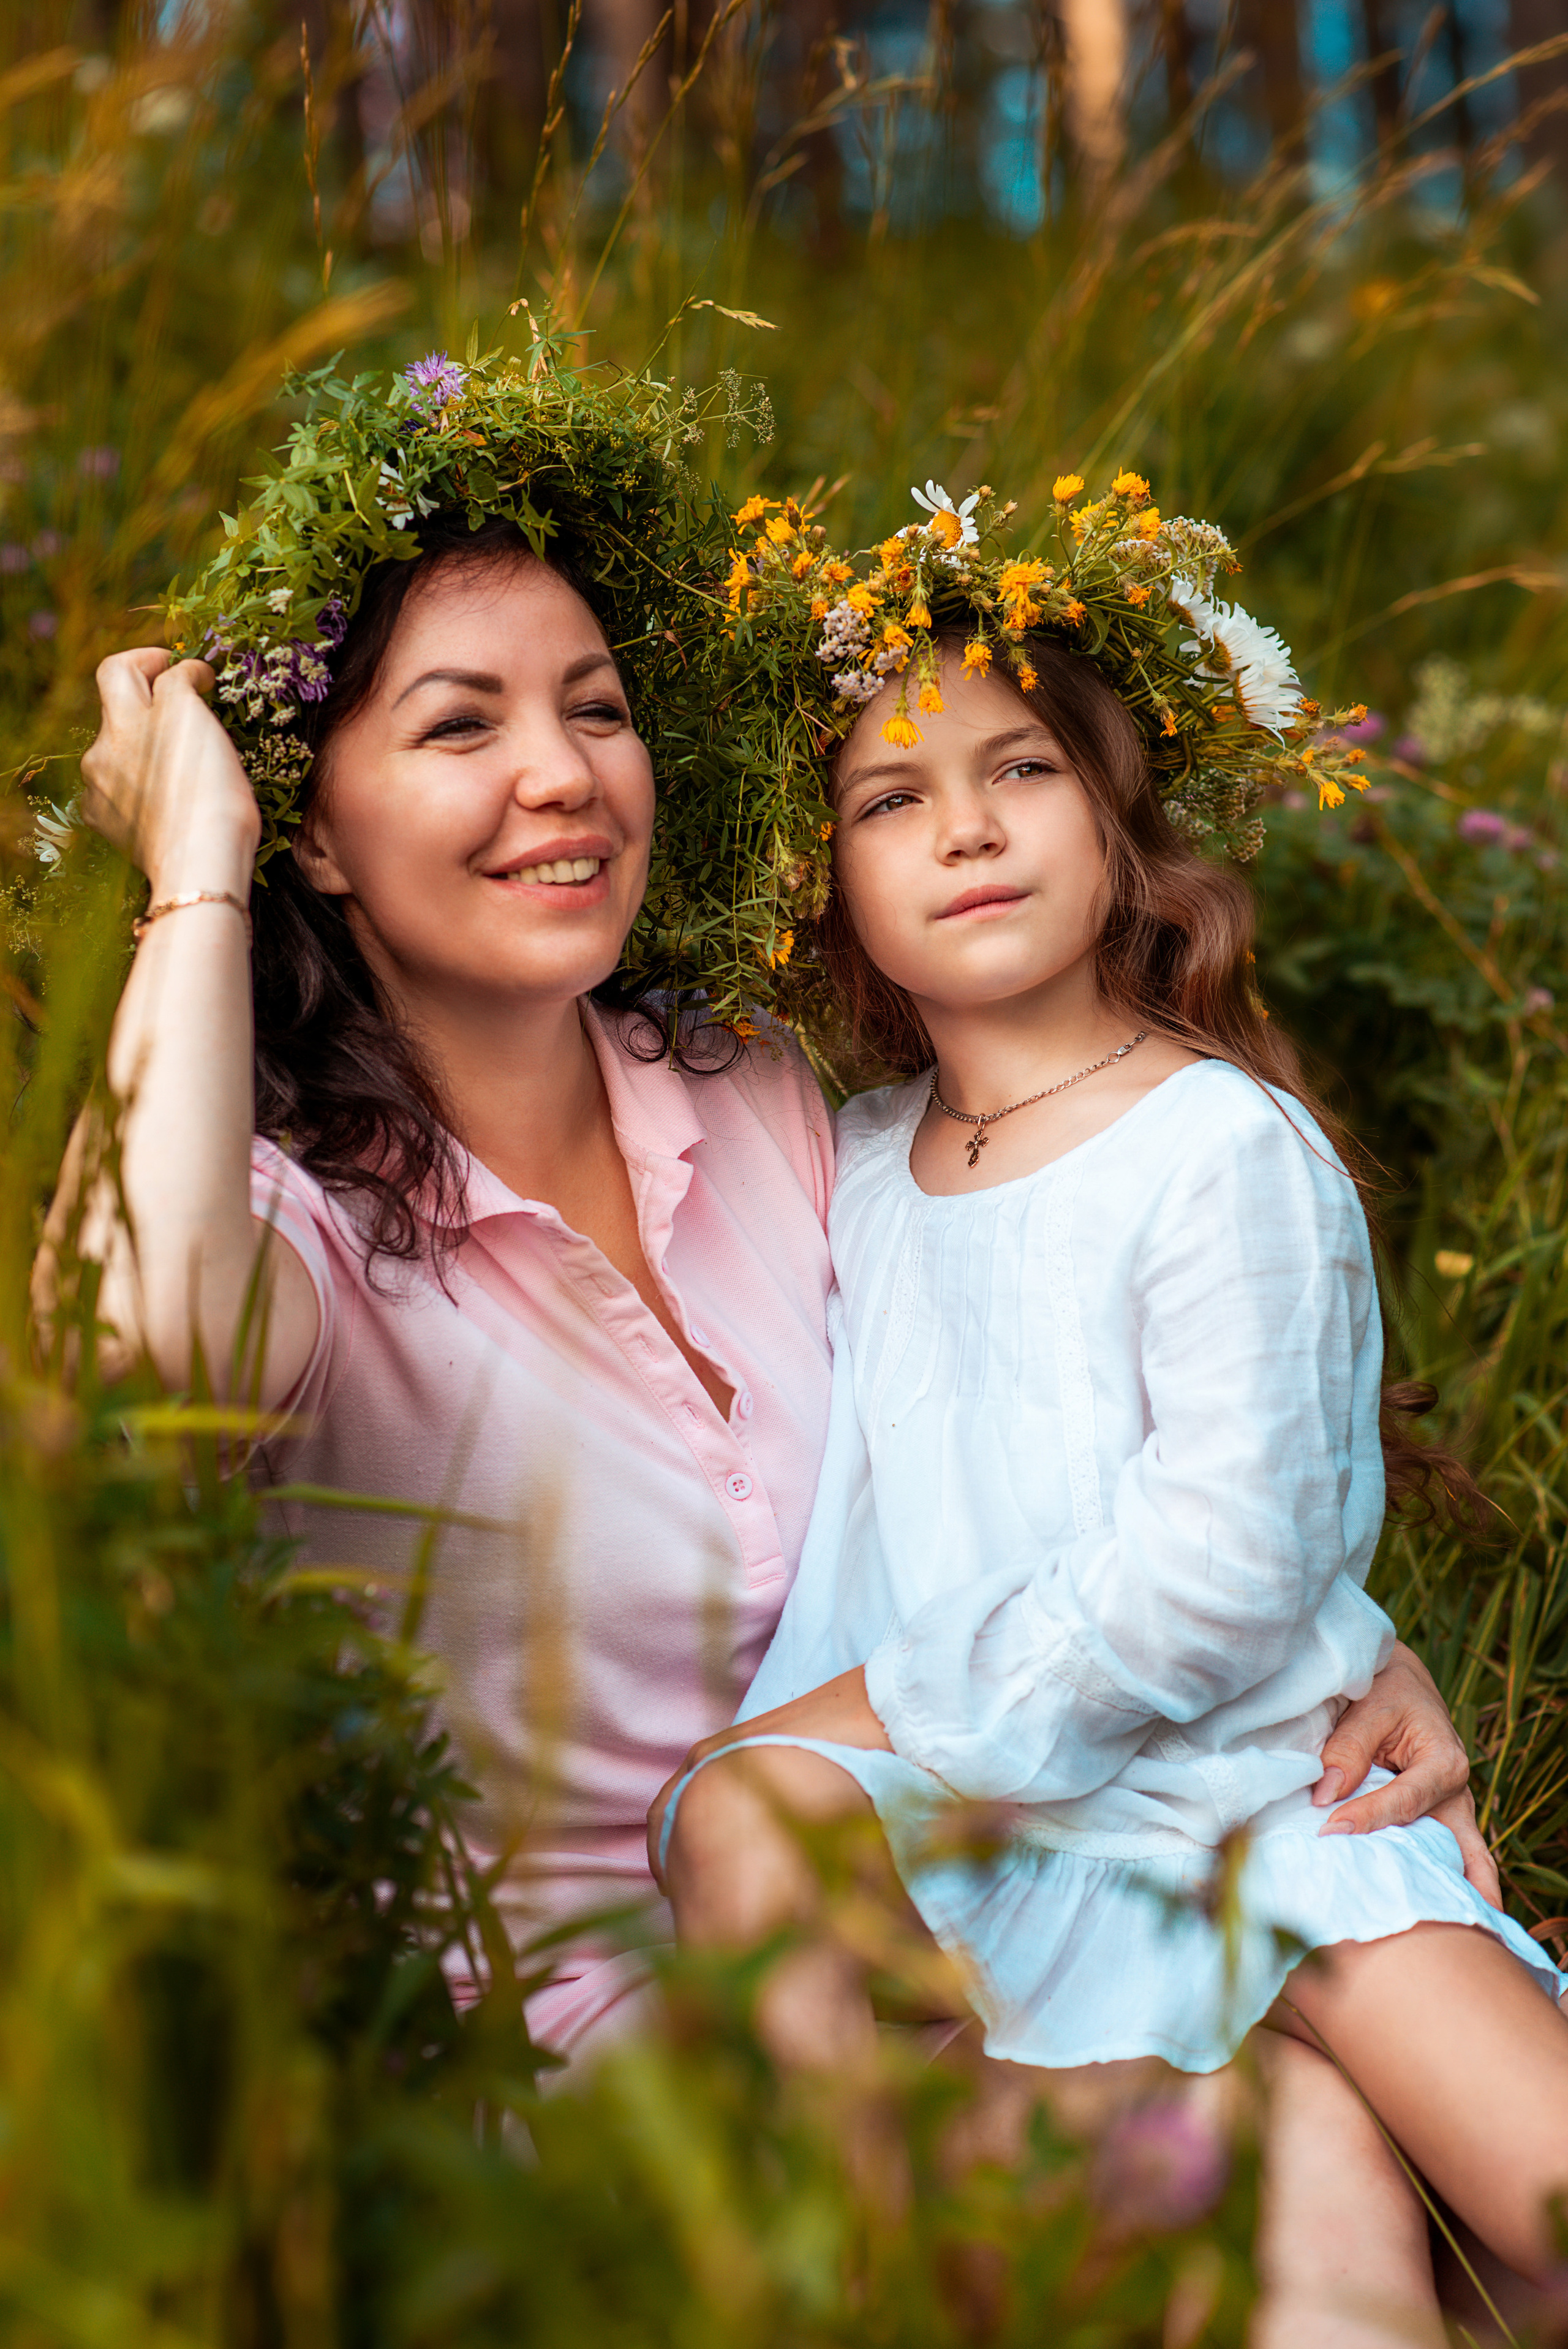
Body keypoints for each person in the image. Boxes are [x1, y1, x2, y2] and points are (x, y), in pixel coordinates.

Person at [50, 357, 1488, 2238]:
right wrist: (191, 877)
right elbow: (123, 1349)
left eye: (596, 710)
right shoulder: (297, 1231)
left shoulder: (757, 1102)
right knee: (1294, 2162)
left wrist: (1320, 1641)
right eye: (457, 727)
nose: (559, 773)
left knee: (1329, 2149)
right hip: (617, 2047)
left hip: (959, 1881)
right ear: (316, 830)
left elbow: (1027, 1438)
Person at [650, 478, 1568, 2331]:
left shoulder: (1219, 1141)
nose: (964, 829)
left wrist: (906, 1707)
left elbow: (1236, 1548)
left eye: (1021, 771)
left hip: (1269, 1816)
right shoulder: (861, 1162)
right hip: (1029, 1842)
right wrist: (843, 1739)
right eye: (888, 799)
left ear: (1119, 815)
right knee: (730, 1819)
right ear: (826, 877)